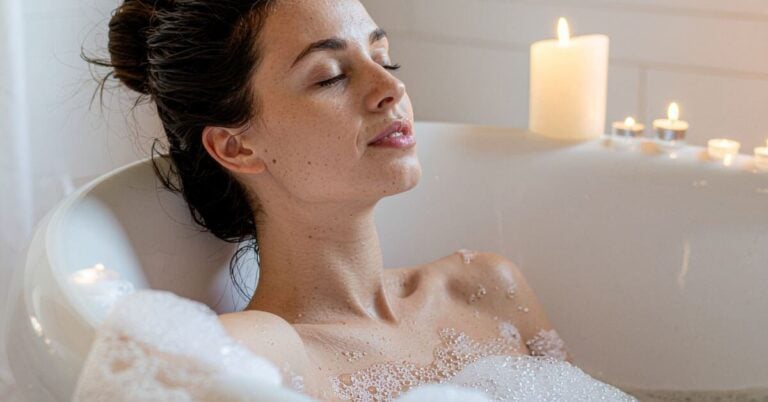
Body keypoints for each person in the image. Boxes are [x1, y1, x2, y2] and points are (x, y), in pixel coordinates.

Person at [84, 1, 633, 401]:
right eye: (329, 77)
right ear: (237, 146)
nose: (391, 88)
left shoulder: (485, 289)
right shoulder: (271, 352)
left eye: (383, 58)